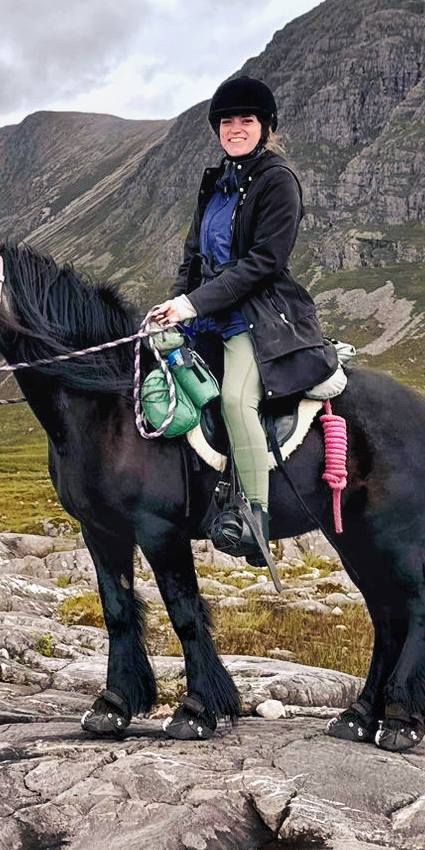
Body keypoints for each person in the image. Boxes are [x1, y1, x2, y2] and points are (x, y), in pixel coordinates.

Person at [145, 75, 337, 559]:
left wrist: (193, 304)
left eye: (245, 120)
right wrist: (173, 307)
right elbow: (193, 258)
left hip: (259, 315)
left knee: (235, 400)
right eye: (227, 121)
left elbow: (263, 263)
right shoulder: (215, 182)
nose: (235, 128)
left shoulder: (278, 181)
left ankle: (255, 516)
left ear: (265, 126)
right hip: (206, 312)